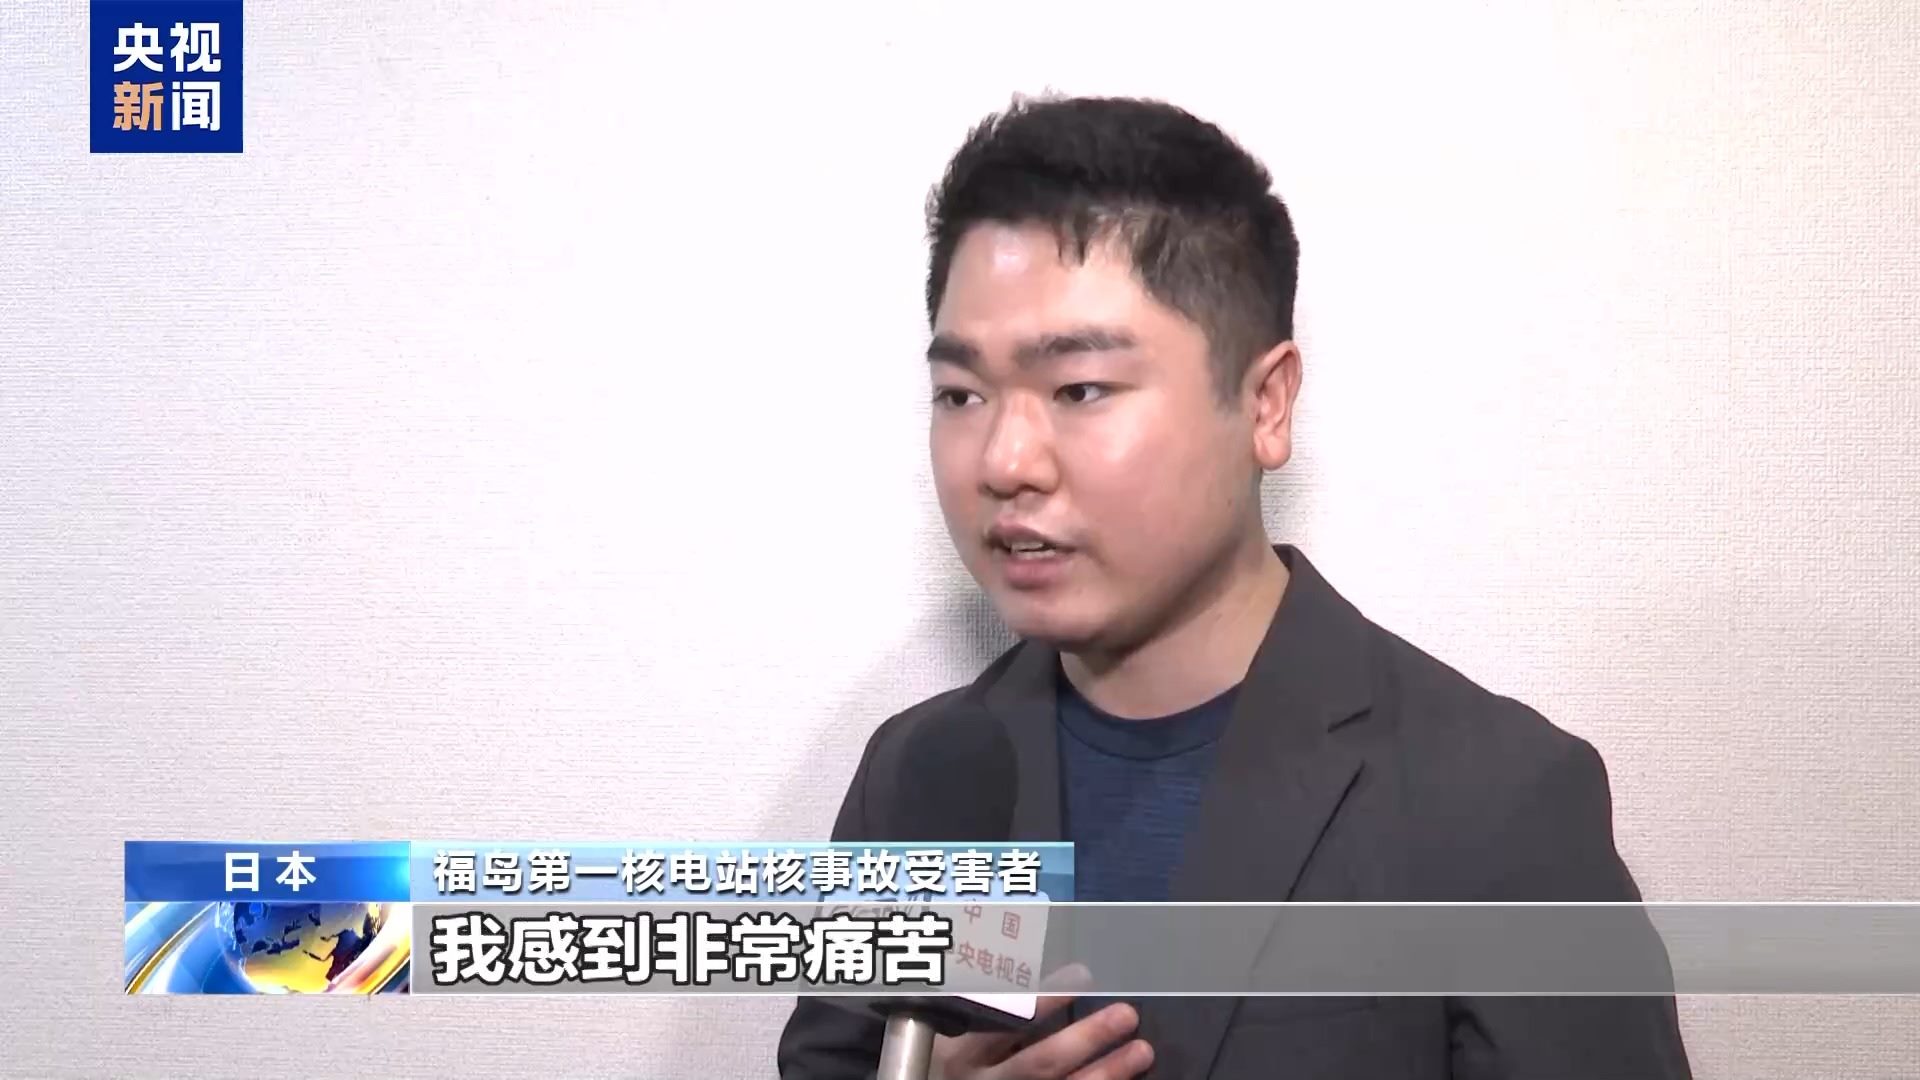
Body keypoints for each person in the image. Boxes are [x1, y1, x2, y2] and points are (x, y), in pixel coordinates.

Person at [777, 93, 1692, 1080]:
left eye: (1080, 389)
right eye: (961, 394)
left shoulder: (1496, 798)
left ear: (1266, 404)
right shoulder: (919, 781)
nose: (1004, 460)